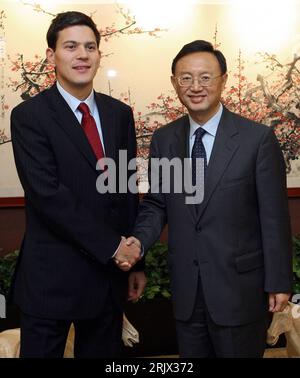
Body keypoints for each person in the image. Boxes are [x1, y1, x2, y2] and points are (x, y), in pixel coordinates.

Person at [126, 40, 293, 358]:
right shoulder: (165, 139)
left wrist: (279, 282)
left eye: (205, 77)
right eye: (185, 77)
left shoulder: (256, 139)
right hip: (187, 291)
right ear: (174, 83)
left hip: (240, 290)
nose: (195, 86)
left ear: (224, 80)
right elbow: (157, 202)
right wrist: (137, 243)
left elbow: (273, 217)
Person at [10, 11, 146, 358]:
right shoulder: (30, 116)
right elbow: (48, 196)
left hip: (107, 279)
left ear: (99, 55)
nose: (82, 55)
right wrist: (114, 247)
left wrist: (136, 261)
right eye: (70, 46)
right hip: (51, 281)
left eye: (90, 47)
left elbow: (126, 189)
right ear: (51, 56)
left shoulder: (119, 114)